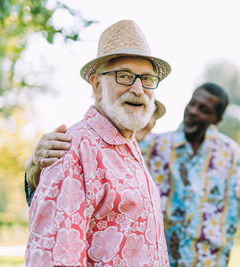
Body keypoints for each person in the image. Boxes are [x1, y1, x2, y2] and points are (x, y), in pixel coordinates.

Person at [25, 82, 240, 266]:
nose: (194, 111)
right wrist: (35, 165)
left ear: (217, 120)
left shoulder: (230, 154)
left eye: (204, 109)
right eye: (192, 104)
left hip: (210, 261)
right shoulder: (153, 146)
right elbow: (105, 150)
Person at [25, 19, 171, 266]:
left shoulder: (129, 144)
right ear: (97, 84)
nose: (138, 89)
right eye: (124, 76)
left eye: (147, 79)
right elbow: (56, 259)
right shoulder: (72, 150)